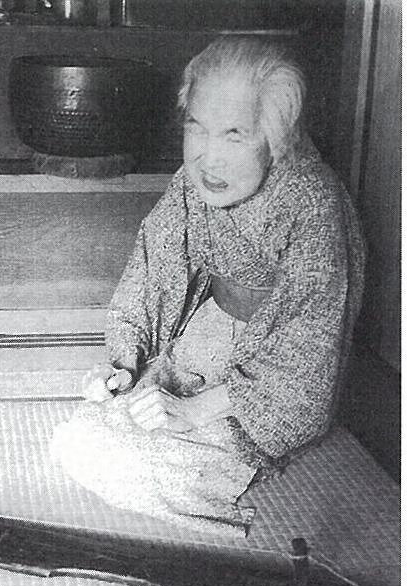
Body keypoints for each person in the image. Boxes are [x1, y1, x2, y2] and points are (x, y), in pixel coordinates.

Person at [82, 36, 365, 474]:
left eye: (235, 136)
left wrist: (196, 410)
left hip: (271, 370)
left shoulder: (311, 200)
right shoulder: (192, 181)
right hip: (211, 333)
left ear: (276, 138)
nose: (209, 159)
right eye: (196, 128)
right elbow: (153, 270)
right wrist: (124, 361)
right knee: (102, 438)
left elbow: (306, 347)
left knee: (167, 467)